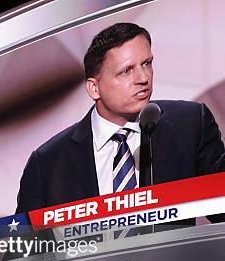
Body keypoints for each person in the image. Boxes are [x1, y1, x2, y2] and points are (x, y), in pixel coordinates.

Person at [16, 23, 224, 214]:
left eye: (147, 64)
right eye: (126, 71)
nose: (143, 78)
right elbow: (22, 248)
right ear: (94, 87)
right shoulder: (47, 163)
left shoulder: (189, 125)